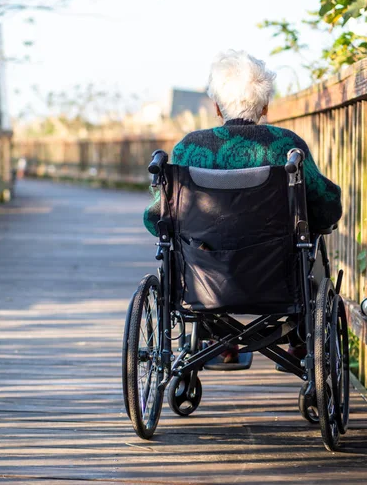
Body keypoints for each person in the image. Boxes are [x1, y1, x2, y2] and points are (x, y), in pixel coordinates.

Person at [143, 49, 342, 365]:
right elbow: (325, 206)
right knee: (310, 248)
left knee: (194, 248)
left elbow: (157, 218)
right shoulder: (286, 147)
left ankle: (221, 340)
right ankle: (299, 340)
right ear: (265, 106)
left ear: (217, 108)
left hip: (203, 283)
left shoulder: (188, 148)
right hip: (277, 279)